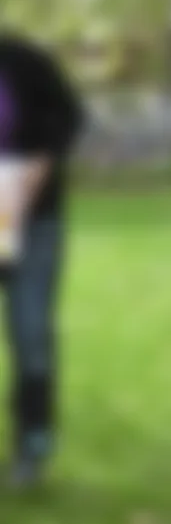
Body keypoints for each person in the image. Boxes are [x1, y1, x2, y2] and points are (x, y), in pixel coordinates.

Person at [0, 36, 84, 488]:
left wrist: (40, 168)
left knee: (30, 329)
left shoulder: (24, 59)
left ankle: (33, 440)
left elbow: (67, 117)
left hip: (31, 214)